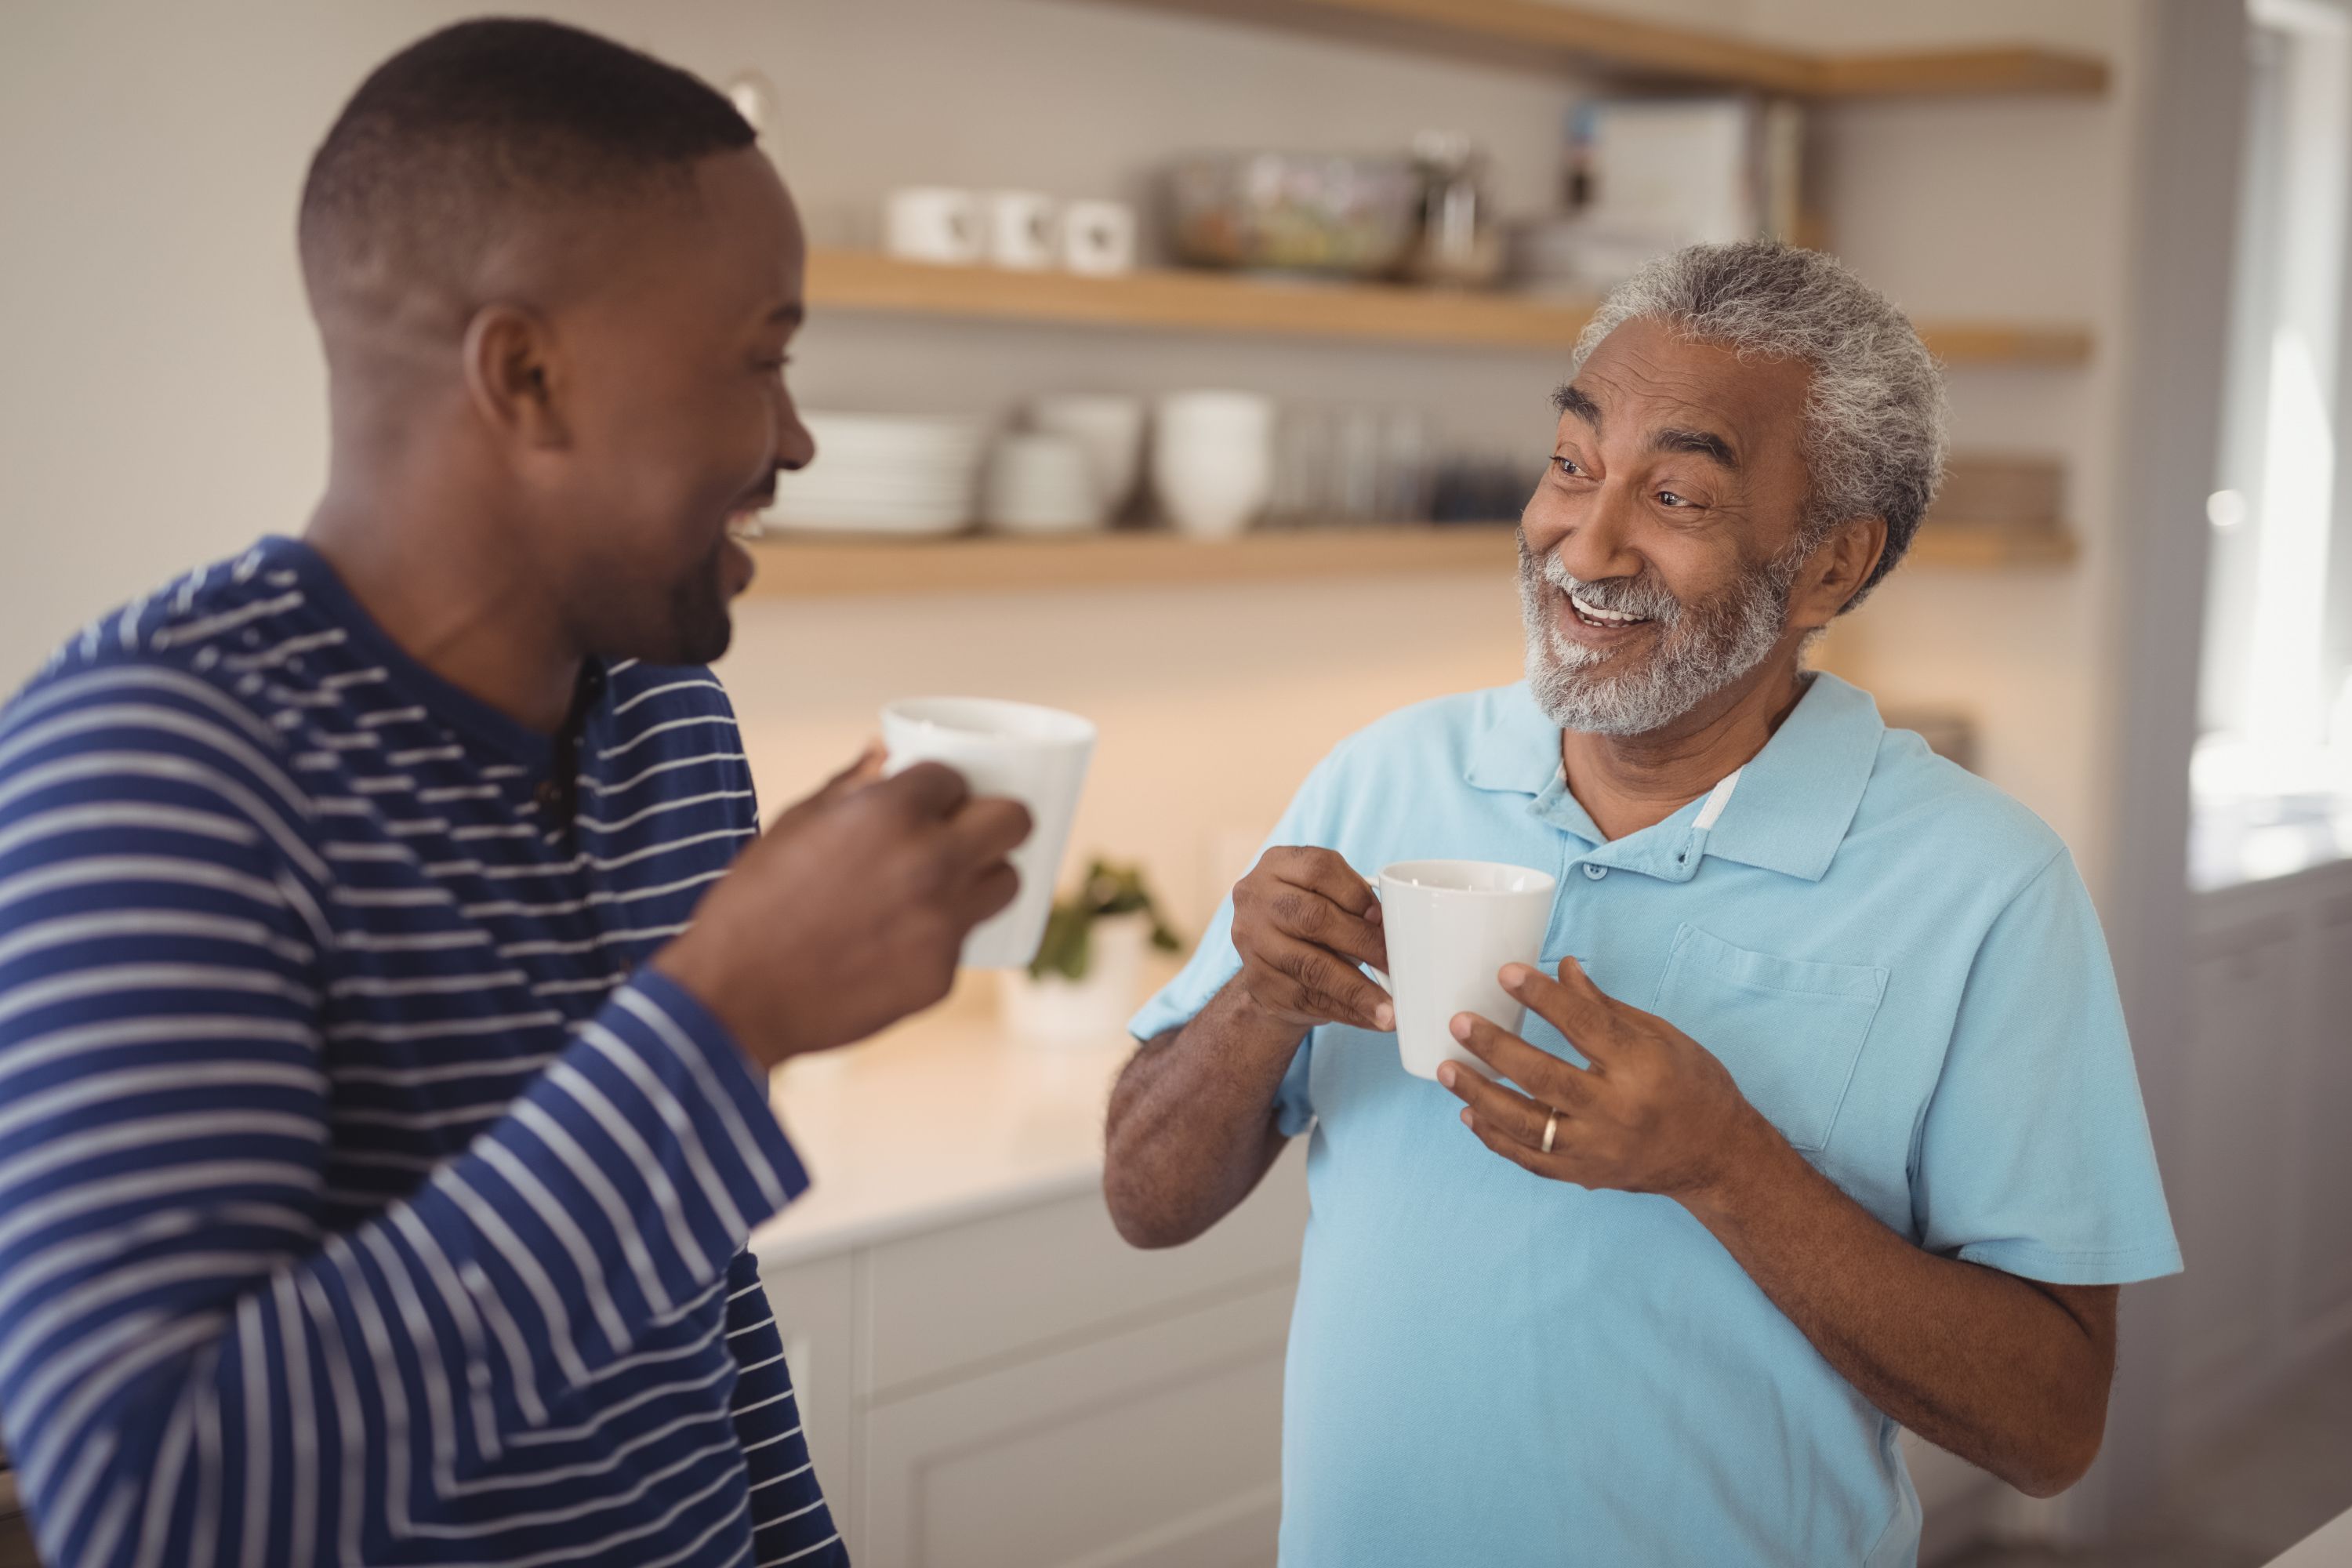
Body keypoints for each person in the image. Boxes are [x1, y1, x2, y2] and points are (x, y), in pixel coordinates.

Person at [0, 20, 1029, 1567]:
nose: (795, 438)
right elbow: (152, 1507)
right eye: (761, 357)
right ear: (527, 376)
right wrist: (725, 1014)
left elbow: (685, 1276)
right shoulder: (153, 764)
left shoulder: (666, 715)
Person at [1104, 241, 2182, 1566]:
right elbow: (1144, 1200)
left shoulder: (1986, 884)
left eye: (1674, 494)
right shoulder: (1383, 777)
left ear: (1834, 567)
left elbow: (2054, 1424)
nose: (1584, 541)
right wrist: (1254, 1007)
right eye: (1572, 465)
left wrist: (1724, 1165)